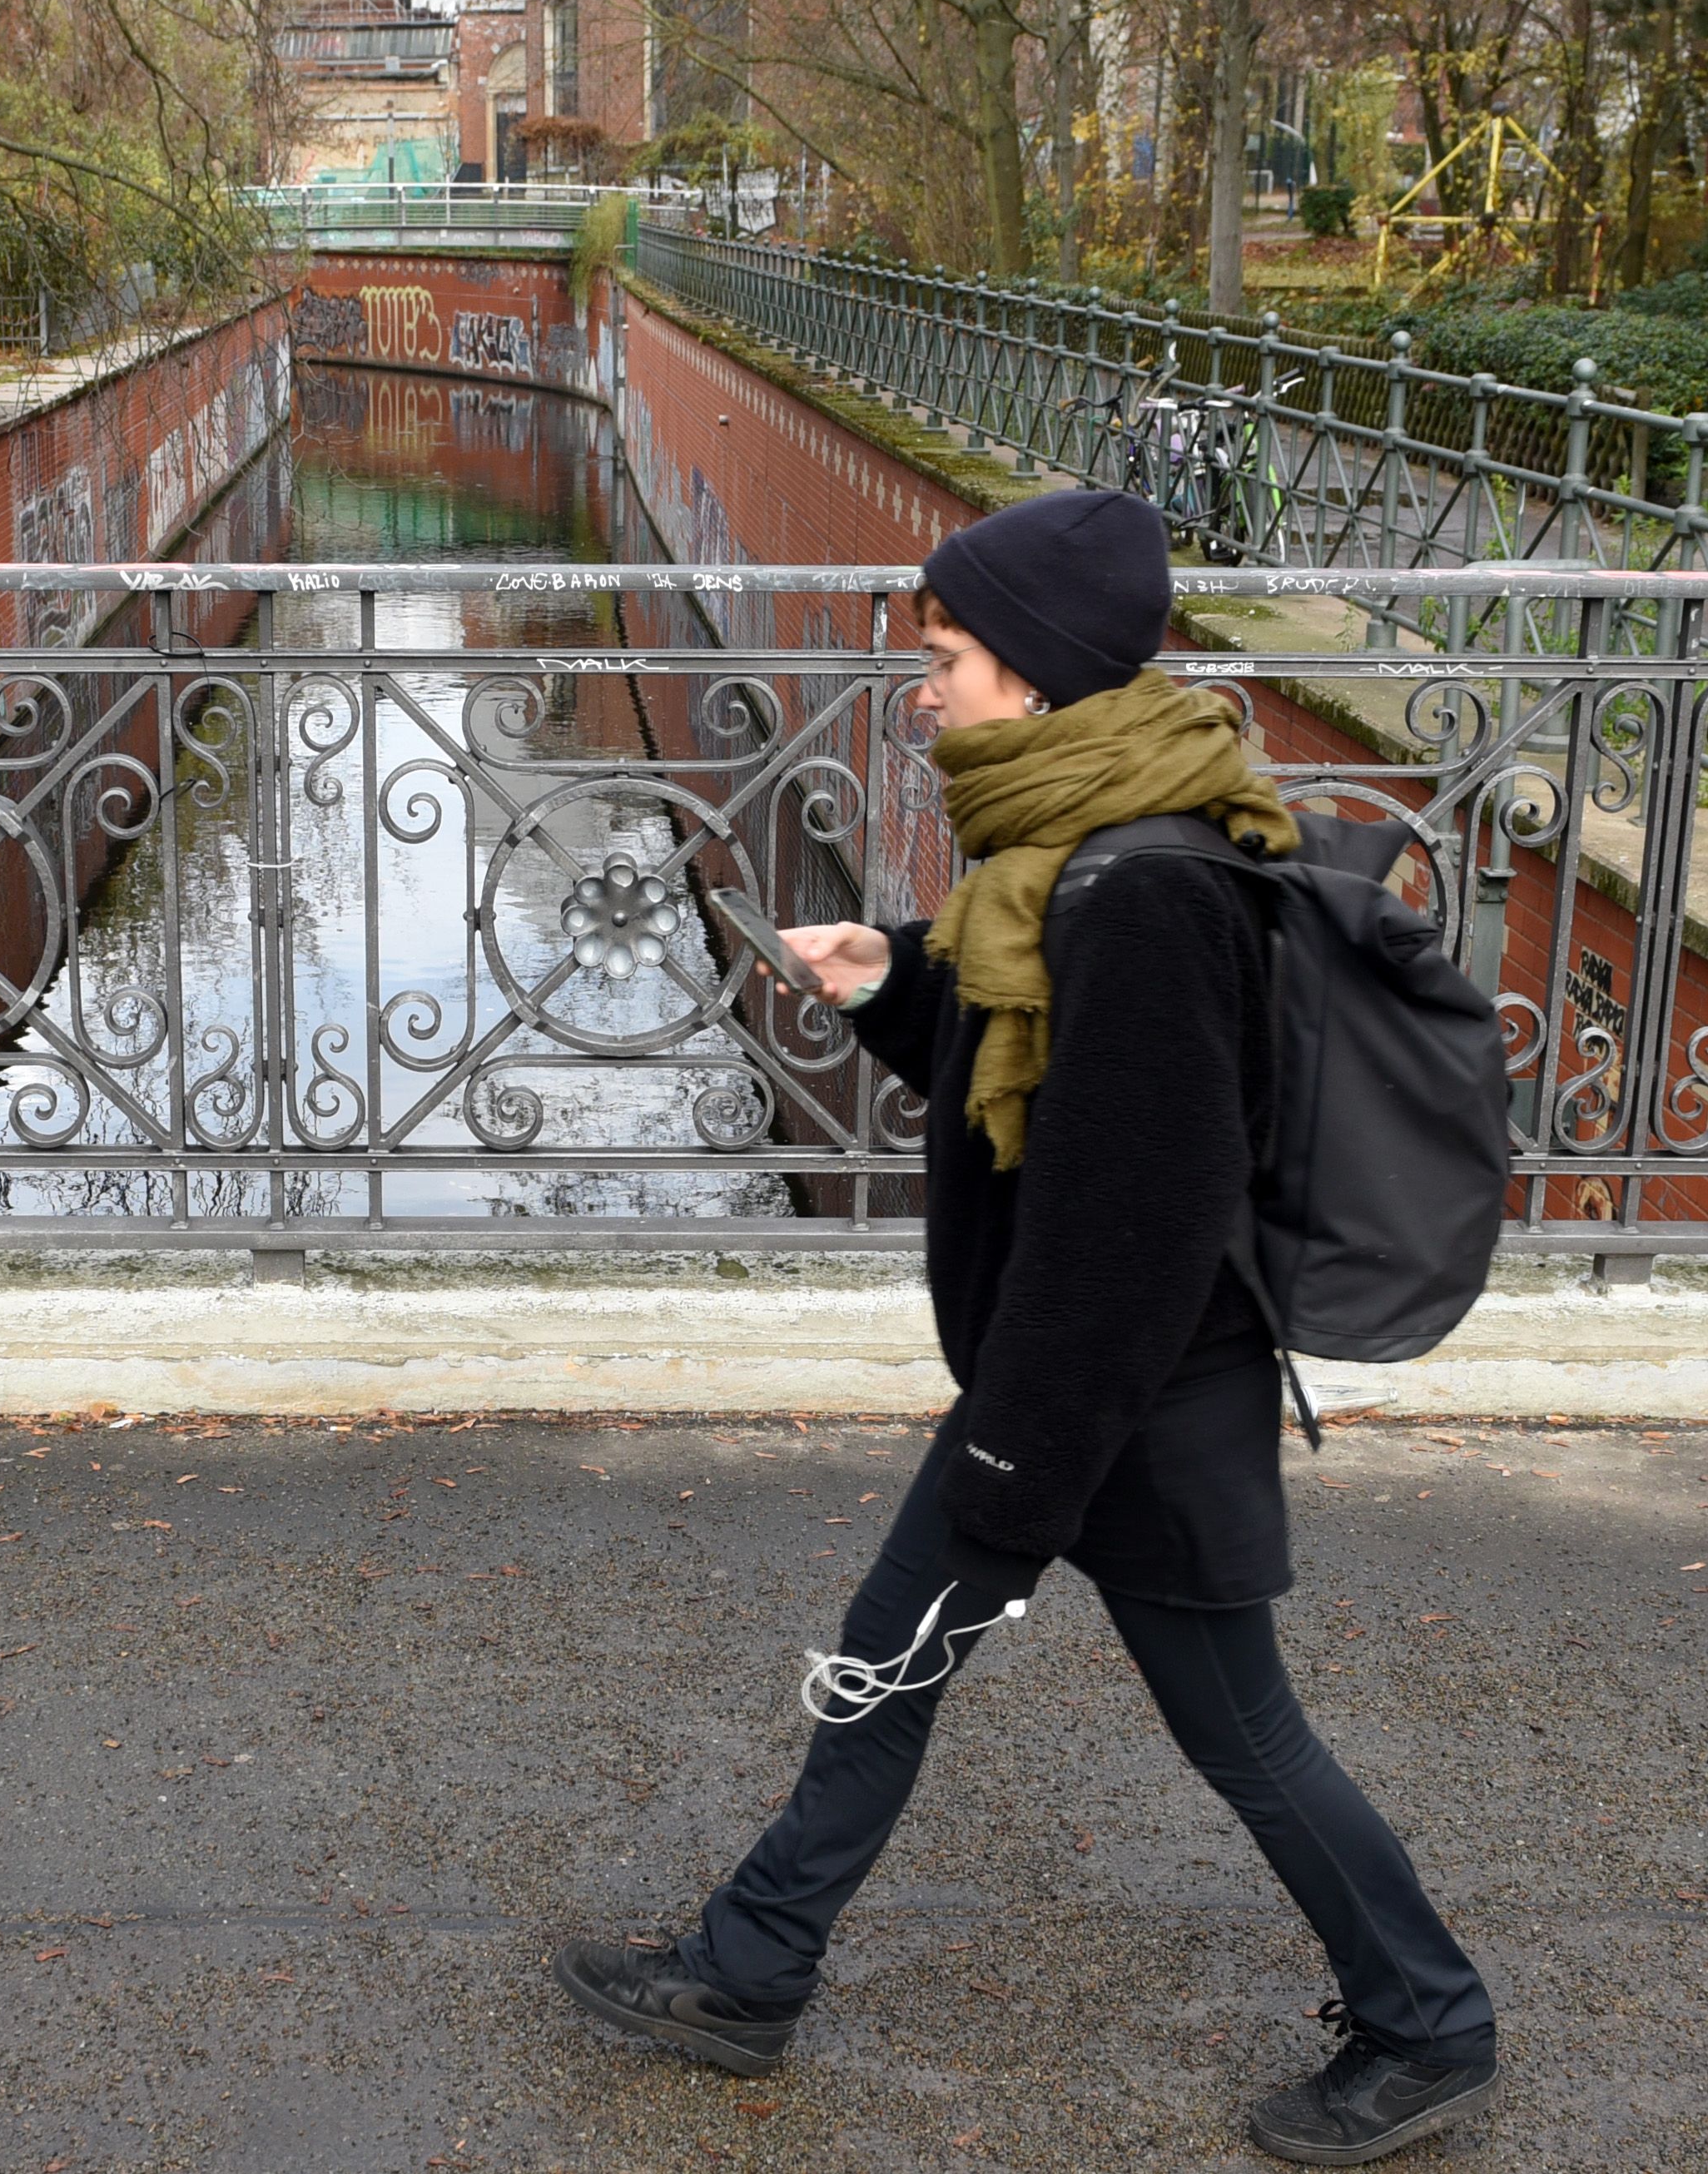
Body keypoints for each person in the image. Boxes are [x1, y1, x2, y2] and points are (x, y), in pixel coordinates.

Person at [551, 486, 1502, 2167]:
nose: (927, 686)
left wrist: (1012, 1453)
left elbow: (1131, 1214)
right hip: (1084, 1385)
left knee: (1230, 1730)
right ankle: (748, 1969)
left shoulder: (1136, 889)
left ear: (1042, 676)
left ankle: (1429, 2019)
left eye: (952, 654)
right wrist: (895, 986)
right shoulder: (1069, 841)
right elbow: (1037, 1098)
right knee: (886, 1672)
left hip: (1119, 1394)